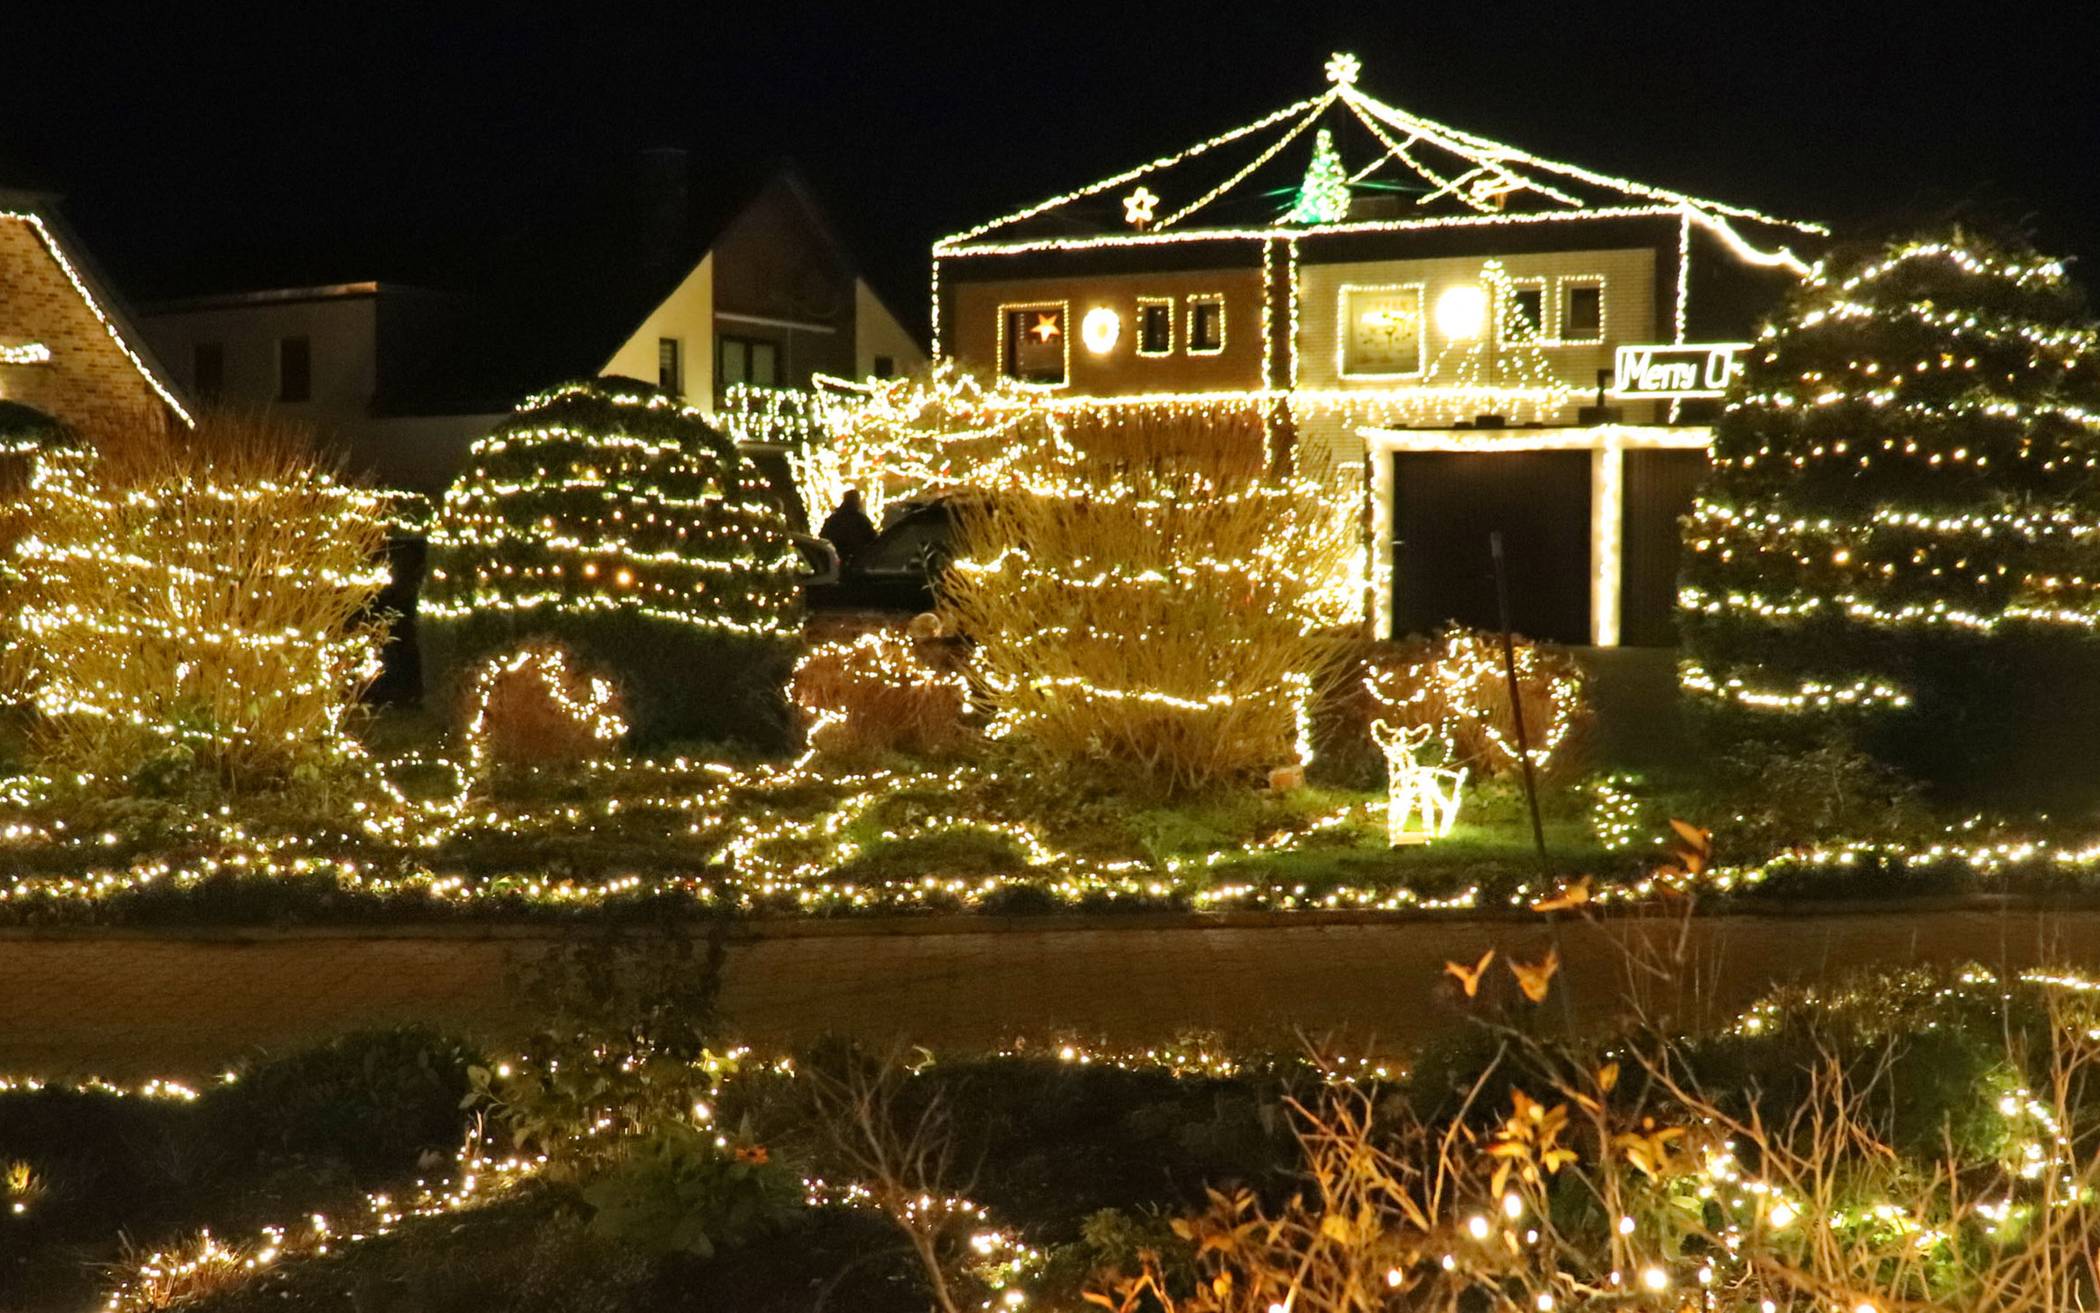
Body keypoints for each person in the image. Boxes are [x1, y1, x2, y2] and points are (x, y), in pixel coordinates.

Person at [819, 488, 878, 566]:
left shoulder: (834, 519)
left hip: (835, 562)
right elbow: (873, 539)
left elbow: (823, 537)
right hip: (857, 562)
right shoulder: (861, 520)